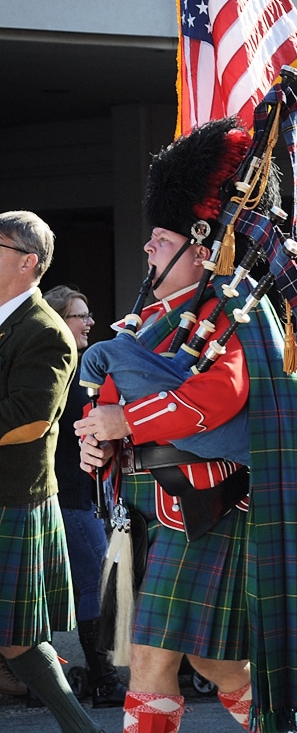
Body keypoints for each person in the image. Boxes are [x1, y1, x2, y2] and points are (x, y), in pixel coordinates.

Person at [74, 117, 297, 733]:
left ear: (202, 247)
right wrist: (95, 435)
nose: (148, 250)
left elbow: (219, 396)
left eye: (162, 240)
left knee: (153, 660)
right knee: (217, 663)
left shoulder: (232, 313)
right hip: (148, 504)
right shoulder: (151, 320)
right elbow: (106, 400)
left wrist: (124, 419)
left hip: (203, 506)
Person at [0, 210, 104, 733]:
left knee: (17, 636)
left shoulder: (46, 330)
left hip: (13, 497)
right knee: (15, 635)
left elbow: (30, 419)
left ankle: (82, 727)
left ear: (27, 262)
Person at [43, 285, 127, 708]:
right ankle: (104, 680)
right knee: (96, 588)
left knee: (85, 587)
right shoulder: (60, 366)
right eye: (80, 315)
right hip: (70, 496)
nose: (90, 321)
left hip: (81, 497)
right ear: (59, 319)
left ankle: (60, 684)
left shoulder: (78, 366)